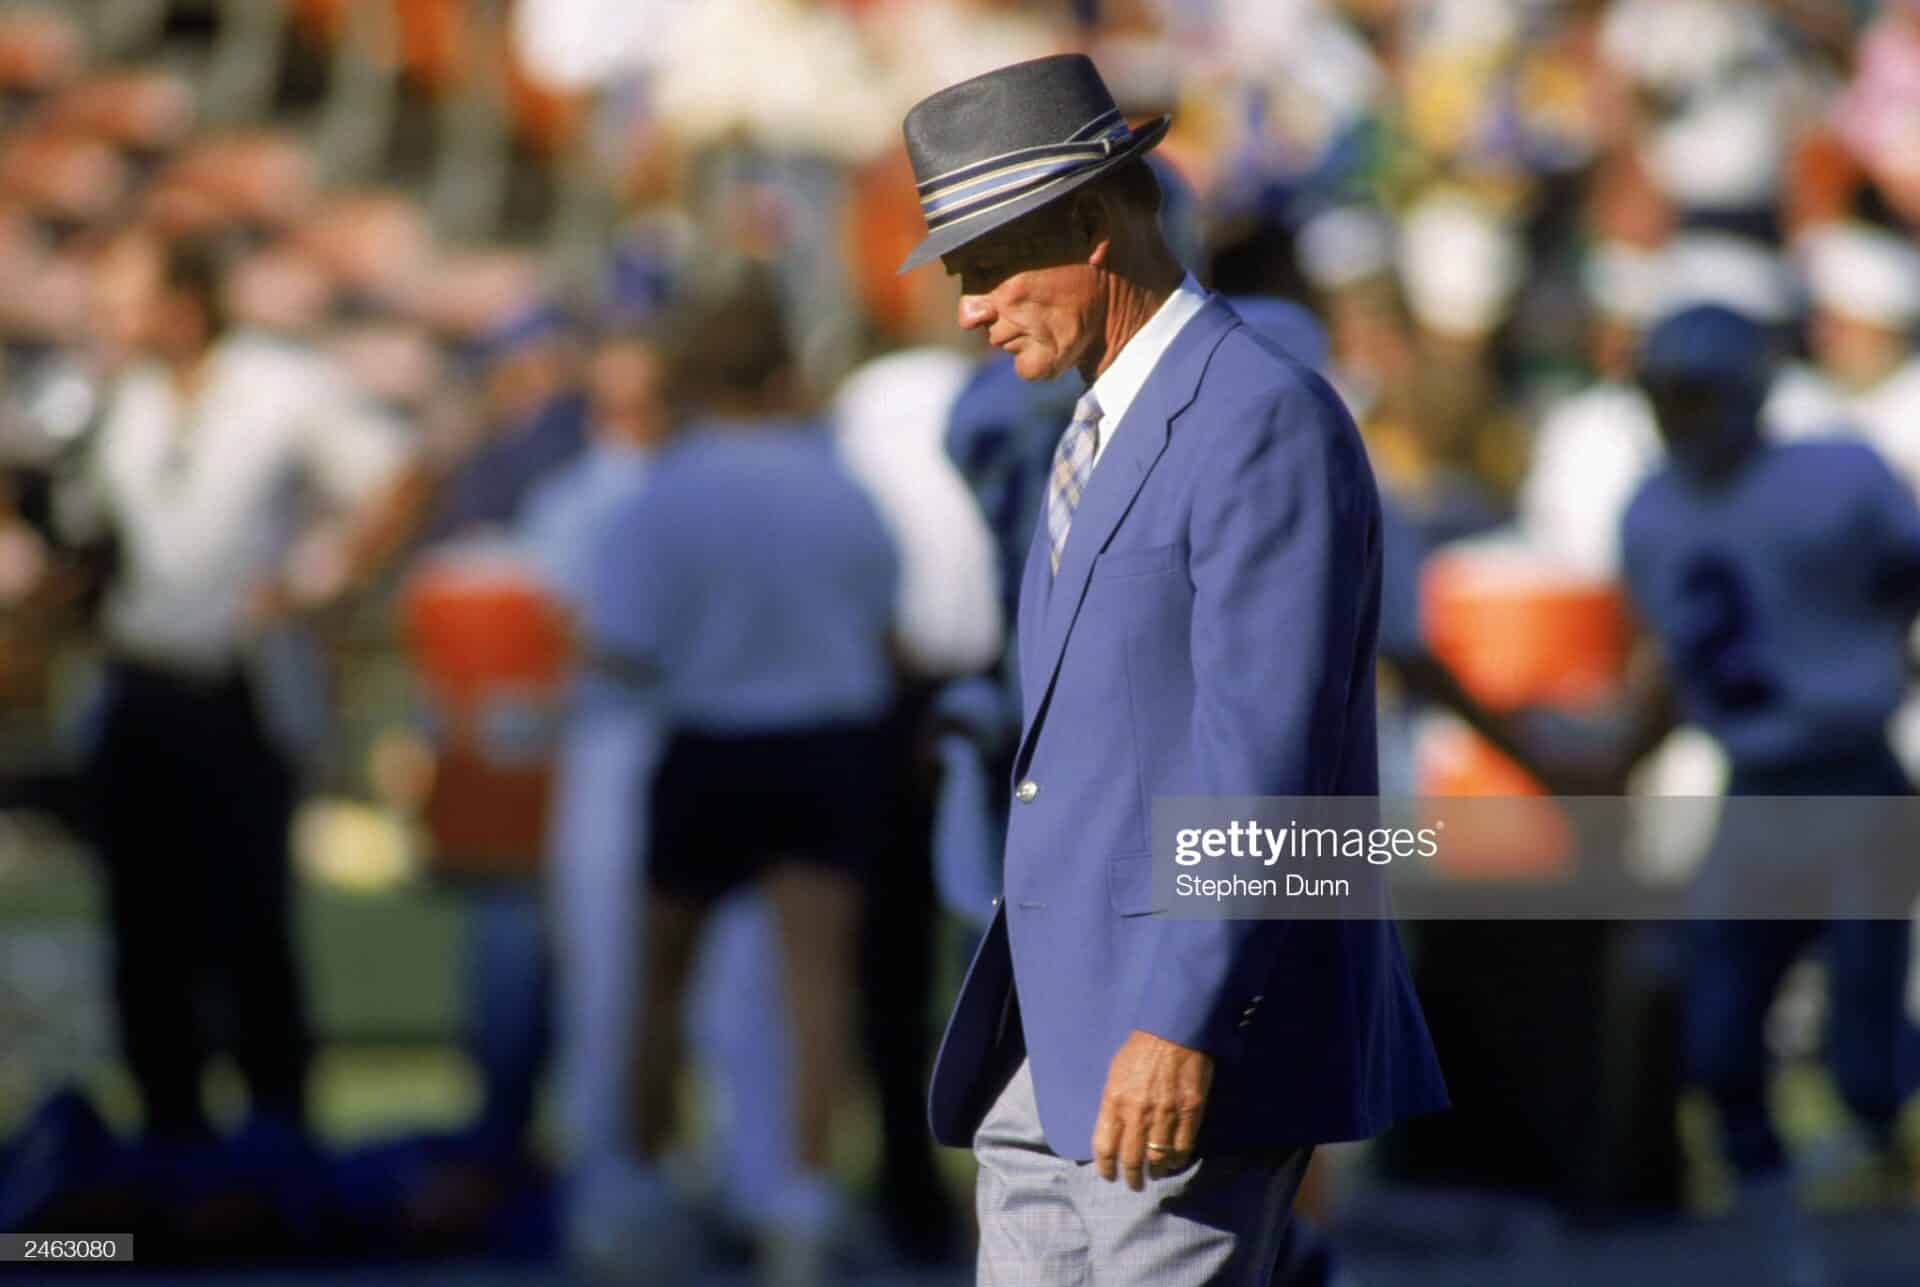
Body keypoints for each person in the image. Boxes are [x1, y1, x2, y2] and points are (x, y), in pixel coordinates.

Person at [896, 55, 1447, 1284]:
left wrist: (1183, 1020)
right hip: (1051, 1040)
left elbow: (1267, 760)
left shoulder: (1259, 416)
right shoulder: (1099, 421)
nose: (969, 311)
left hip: (1170, 1035)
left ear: (1093, 227)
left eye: (988, 268)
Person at [584, 263, 901, 1285]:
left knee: (658, 983)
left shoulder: (663, 491)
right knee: (816, 988)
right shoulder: (838, 485)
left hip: (710, 742)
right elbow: (884, 621)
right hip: (825, 746)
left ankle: (639, 1196)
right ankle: (801, 1213)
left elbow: (621, 645)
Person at [83, 232, 421, 1143]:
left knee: (249, 921)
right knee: (143, 930)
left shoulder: (280, 385)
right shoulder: (121, 395)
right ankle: (170, 1135)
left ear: (183, 301)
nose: (107, 318)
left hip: (240, 685)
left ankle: (275, 1138)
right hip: (139, 676)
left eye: (128, 297)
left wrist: (320, 576)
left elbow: (395, 477)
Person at [1617, 302, 1920, 1287]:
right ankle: (1779, 1249)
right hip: (1753, 792)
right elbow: (1675, 664)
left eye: (1693, 392)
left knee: (1866, 1063)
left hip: (1852, 776)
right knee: (1722, 1041)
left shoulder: (1834, 473)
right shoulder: (1650, 508)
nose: (1677, 414)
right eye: (1663, 395)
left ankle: (1864, 1191)